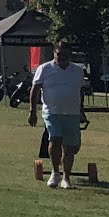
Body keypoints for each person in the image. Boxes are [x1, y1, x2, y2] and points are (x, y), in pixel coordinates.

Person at [29, 40, 88, 189]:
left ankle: (66, 178)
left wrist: (81, 111)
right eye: (59, 54)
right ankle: (55, 173)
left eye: (66, 54)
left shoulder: (77, 71)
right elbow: (35, 90)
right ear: (54, 53)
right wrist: (32, 111)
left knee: (70, 147)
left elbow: (80, 91)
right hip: (52, 111)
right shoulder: (45, 68)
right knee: (55, 139)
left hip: (72, 113)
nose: (62, 57)